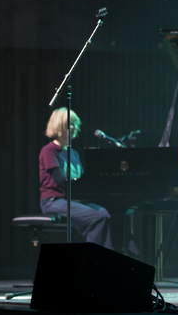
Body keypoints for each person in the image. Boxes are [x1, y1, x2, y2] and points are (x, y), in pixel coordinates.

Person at [39, 107, 113, 250]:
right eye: (70, 124)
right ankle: (92, 263)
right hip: (53, 201)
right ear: (59, 125)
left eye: (75, 124)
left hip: (71, 200)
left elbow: (82, 179)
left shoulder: (73, 153)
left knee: (104, 213)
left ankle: (106, 262)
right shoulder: (48, 151)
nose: (75, 128)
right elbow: (59, 179)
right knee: (96, 218)